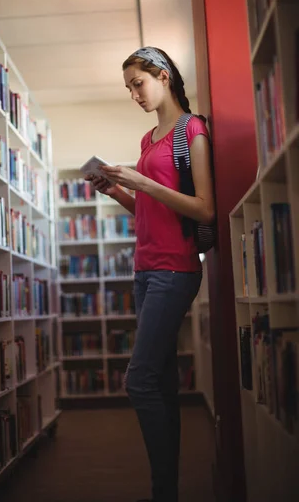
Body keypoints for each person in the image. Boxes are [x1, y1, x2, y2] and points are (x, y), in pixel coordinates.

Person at [84, 47, 215, 502]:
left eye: (139, 83)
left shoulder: (191, 129)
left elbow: (204, 208)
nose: (135, 94)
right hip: (144, 268)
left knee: (138, 379)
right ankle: (169, 491)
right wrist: (118, 190)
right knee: (158, 381)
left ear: (163, 76)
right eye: (129, 89)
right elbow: (148, 208)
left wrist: (144, 182)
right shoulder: (147, 140)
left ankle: (163, 491)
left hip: (175, 269)